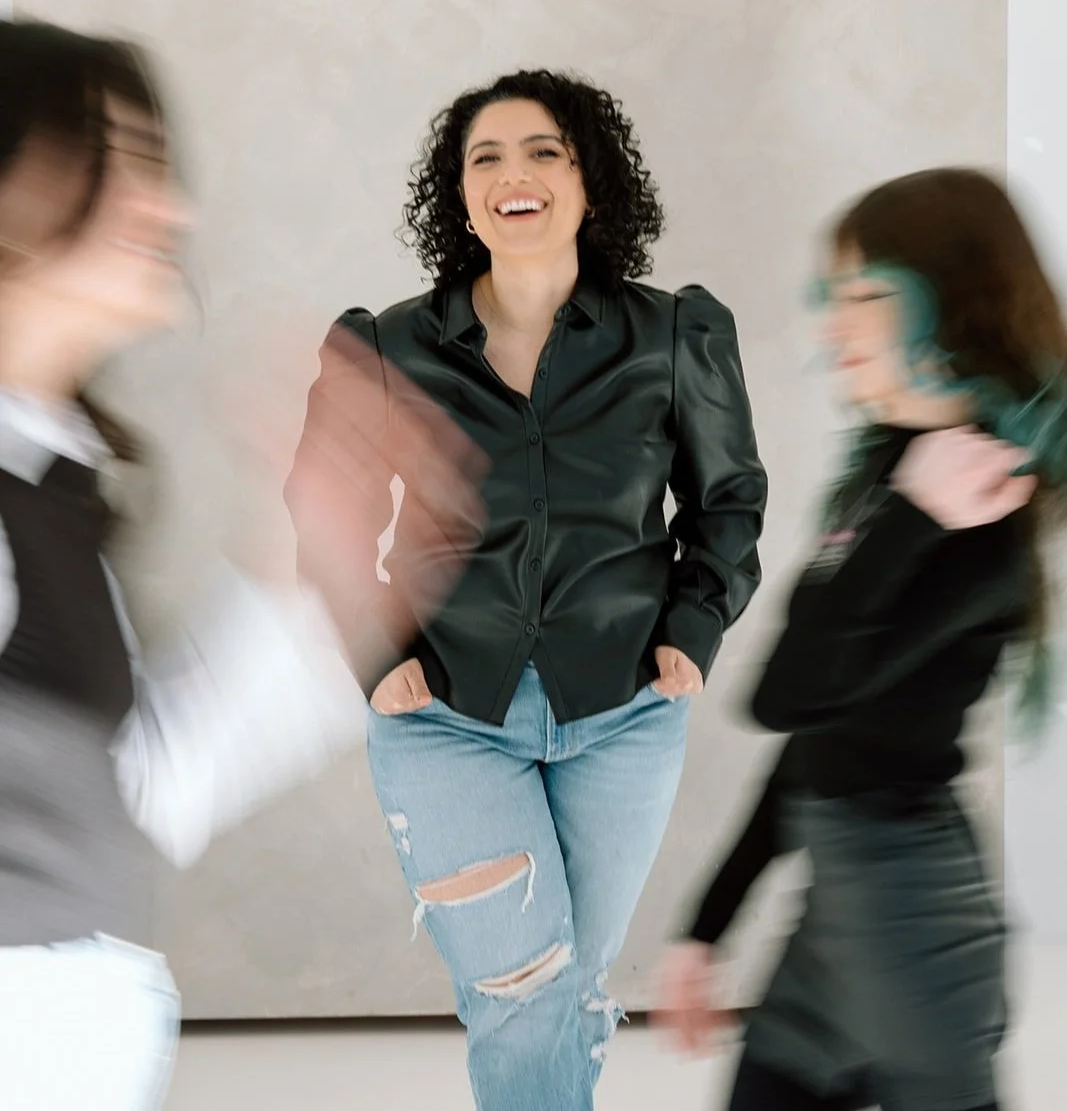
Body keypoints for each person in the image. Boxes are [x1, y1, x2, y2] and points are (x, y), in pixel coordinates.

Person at [0, 18, 482, 1111]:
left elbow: (121, 794)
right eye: (118, 162)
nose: (170, 209)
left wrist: (316, 564)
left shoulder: (47, 485)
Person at [293, 68, 768, 1110]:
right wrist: (376, 656)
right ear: (457, 193)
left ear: (588, 180)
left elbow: (726, 498)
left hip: (625, 715)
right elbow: (321, 514)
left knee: (564, 988)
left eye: (544, 150)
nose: (515, 173)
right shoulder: (384, 347)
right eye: (486, 156)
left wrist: (695, 621)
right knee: (521, 992)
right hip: (448, 718)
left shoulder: (674, 334)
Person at [656, 168, 1067, 1111]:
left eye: (871, 296)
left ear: (957, 307)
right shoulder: (894, 474)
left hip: (908, 923)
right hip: (840, 908)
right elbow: (816, 738)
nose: (836, 327)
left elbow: (787, 693)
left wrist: (912, 519)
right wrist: (708, 925)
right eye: (832, 297)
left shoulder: (979, 514)